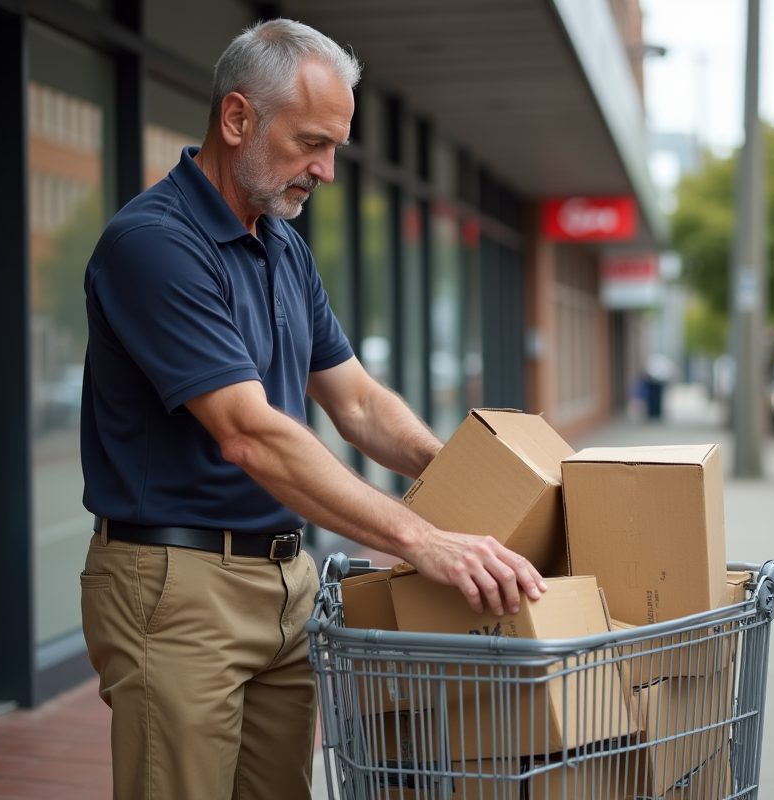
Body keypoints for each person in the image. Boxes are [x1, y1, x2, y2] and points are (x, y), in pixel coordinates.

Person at [78, 19, 547, 800]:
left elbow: (358, 401)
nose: (327, 170)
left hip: (285, 582)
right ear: (236, 120)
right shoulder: (154, 246)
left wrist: (453, 470)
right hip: (178, 585)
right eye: (311, 143)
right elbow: (251, 436)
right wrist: (421, 540)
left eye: (336, 147)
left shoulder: (280, 244)